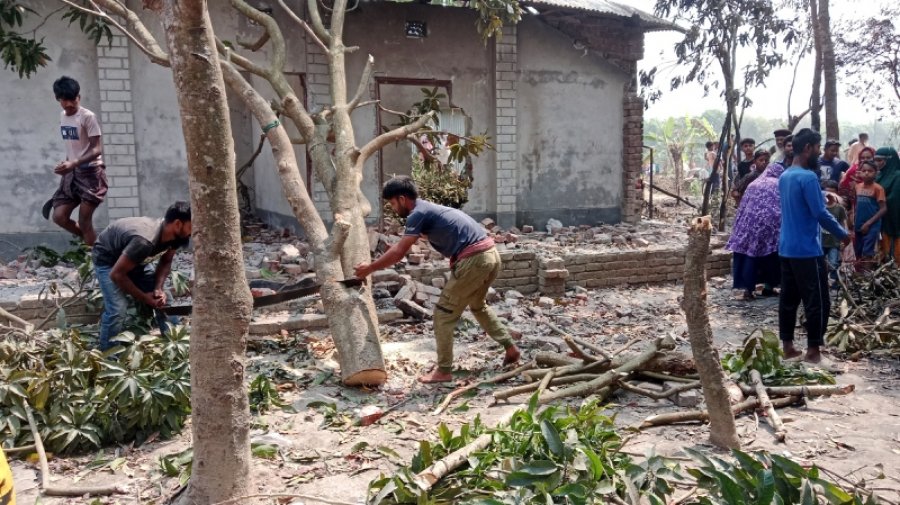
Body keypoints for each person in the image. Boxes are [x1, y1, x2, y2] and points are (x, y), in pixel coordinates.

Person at [354, 177, 520, 383]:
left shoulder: (417, 214)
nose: (393, 208)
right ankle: (511, 347)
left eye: (393, 204)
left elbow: (399, 252)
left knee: (442, 315)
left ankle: (444, 371)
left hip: (475, 260)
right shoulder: (429, 209)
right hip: (491, 255)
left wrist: (369, 268)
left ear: (403, 199)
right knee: (478, 306)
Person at [778, 128, 849, 364]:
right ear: (808, 147)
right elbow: (819, 213)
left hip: (787, 247)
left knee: (789, 299)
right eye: (818, 148)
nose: (819, 153)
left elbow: (803, 200)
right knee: (817, 301)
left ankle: (788, 347)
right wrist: (843, 234)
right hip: (807, 250)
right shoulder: (808, 177)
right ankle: (813, 352)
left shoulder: (786, 175)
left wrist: (820, 194)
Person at [92, 202, 192, 350]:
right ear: (178, 224)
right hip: (109, 262)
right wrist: (145, 297)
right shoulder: (144, 241)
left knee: (165, 299)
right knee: (117, 309)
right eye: (192, 226)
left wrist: (158, 289)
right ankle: (108, 354)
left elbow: (166, 262)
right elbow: (117, 275)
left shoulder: (175, 237)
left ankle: (177, 347)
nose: (193, 231)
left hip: (134, 260)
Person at [46, 76, 108, 247]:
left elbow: (97, 149)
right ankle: (99, 247)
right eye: (64, 100)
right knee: (59, 216)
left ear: (78, 97)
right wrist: (67, 165)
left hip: (91, 174)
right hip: (72, 174)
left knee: (85, 220)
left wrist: (74, 163)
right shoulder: (63, 116)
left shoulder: (88, 117)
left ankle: (96, 259)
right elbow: (74, 146)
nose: (69, 104)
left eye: (72, 99)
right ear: (59, 100)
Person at [726, 161, 785, 300]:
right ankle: (769, 286)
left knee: (749, 256)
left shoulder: (753, 184)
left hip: (748, 225)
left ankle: (748, 290)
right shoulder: (779, 184)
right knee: (771, 256)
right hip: (771, 227)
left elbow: (742, 206)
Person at [851, 160, 887, 266]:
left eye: (870, 171)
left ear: (876, 173)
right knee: (858, 250)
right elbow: (855, 204)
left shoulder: (878, 188)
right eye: (864, 170)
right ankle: (860, 276)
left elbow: (883, 209)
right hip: (858, 223)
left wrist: (868, 223)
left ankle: (867, 276)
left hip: (872, 225)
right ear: (860, 172)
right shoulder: (857, 187)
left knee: (867, 252)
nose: (866, 173)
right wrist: (851, 215)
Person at [874, 147, 900, 265]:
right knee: (884, 253)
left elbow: (894, 198)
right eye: (876, 160)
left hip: (895, 220)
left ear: (890, 160)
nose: (877, 163)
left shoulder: (897, 176)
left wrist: (875, 202)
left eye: (880, 160)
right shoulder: (879, 175)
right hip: (882, 220)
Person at [821, 180, 848, 287]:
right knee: (821, 262)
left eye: (833, 193)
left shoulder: (839, 208)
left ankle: (833, 280)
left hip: (834, 241)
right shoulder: (820, 208)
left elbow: (843, 222)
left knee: (834, 262)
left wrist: (844, 236)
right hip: (821, 241)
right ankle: (823, 280)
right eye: (827, 193)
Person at [839, 146, 875, 212]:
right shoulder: (852, 171)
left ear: (873, 157)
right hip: (854, 207)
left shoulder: (877, 171)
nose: (865, 160)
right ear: (859, 158)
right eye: (862, 158)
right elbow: (843, 189)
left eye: (868, 158)